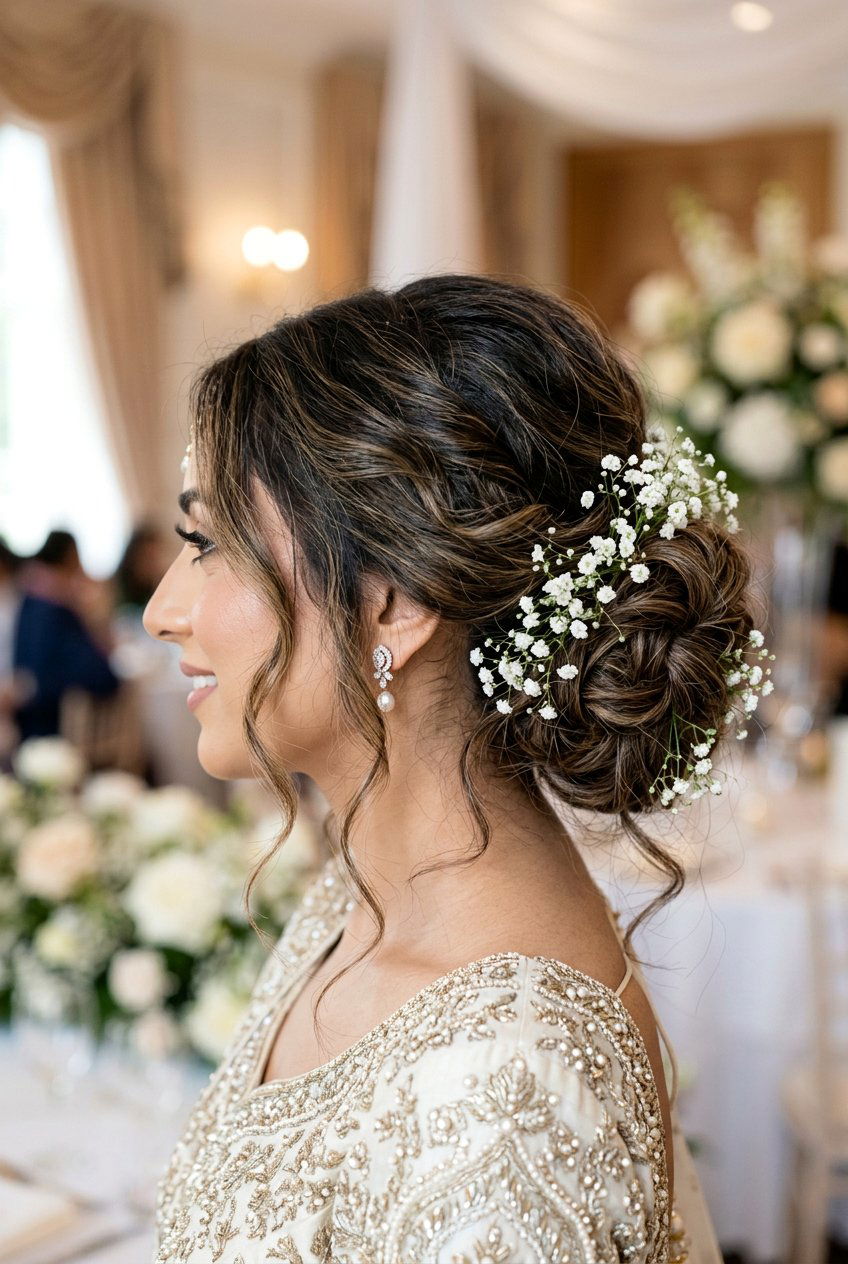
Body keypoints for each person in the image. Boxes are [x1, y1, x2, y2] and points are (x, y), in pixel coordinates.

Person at [143, 274, 765, 1263]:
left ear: (393, 601)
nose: (162, 608)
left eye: (210, 543)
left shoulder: (507, 1083)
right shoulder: (359, 894)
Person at [12, 529, 121, 741]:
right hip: (52, 728)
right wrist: (92, 615)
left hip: (28, 721)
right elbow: (105, 678)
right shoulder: (56, 608)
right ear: (71, 558)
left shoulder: (28, 599)